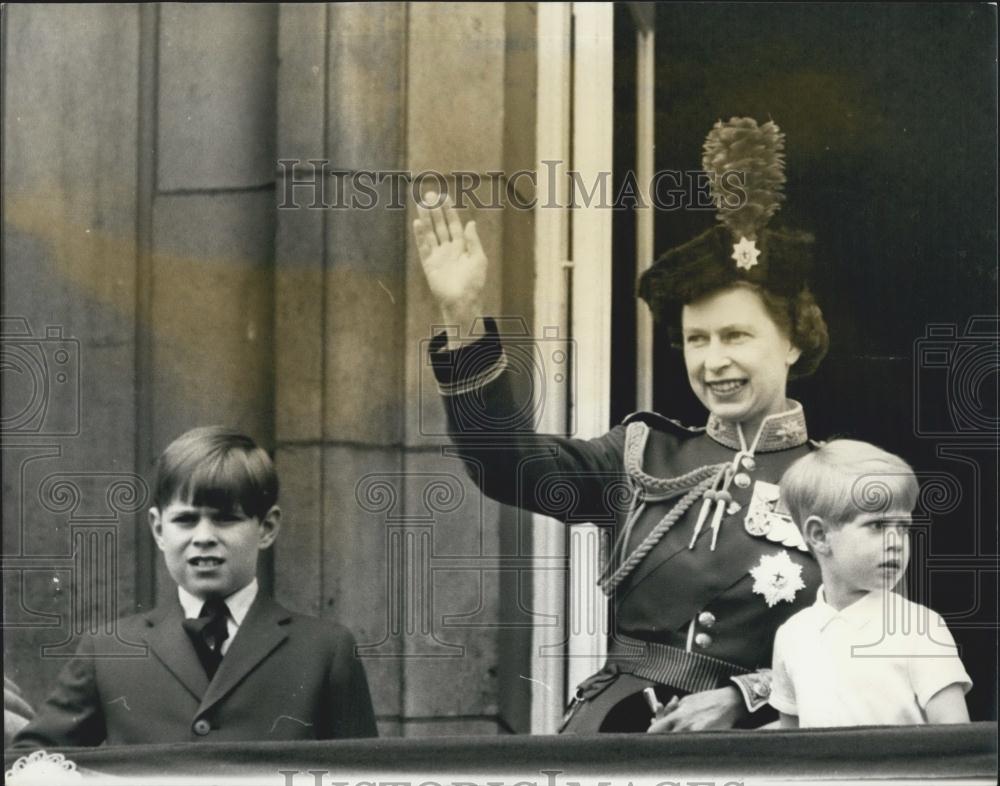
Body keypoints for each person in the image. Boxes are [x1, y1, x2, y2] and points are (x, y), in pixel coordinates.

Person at [413, 118, 830, 732]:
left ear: (792, 343)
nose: (714, 360)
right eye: (696, 339)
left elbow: (867, 642)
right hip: (615, 733)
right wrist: (462, 315)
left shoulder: (839, 481)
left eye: (737, 336)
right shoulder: (641, 457)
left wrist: (748, 696)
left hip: (754, 750)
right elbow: (507, 465)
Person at [13, 426, 377, 747]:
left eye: (226, 519)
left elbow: (363, 774)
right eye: (186, 520)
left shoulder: (325, 650)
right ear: (158, 529)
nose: (204, 537)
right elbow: (30, 763)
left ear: (266, 528)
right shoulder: (108, 651)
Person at [770, 439, 972, 727]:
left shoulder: (920, 627)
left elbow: (956, 742)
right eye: (877, 526)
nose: (896, 543)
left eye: (903, 528)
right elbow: (789, 749)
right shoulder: (792, 635)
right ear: (819, 535)